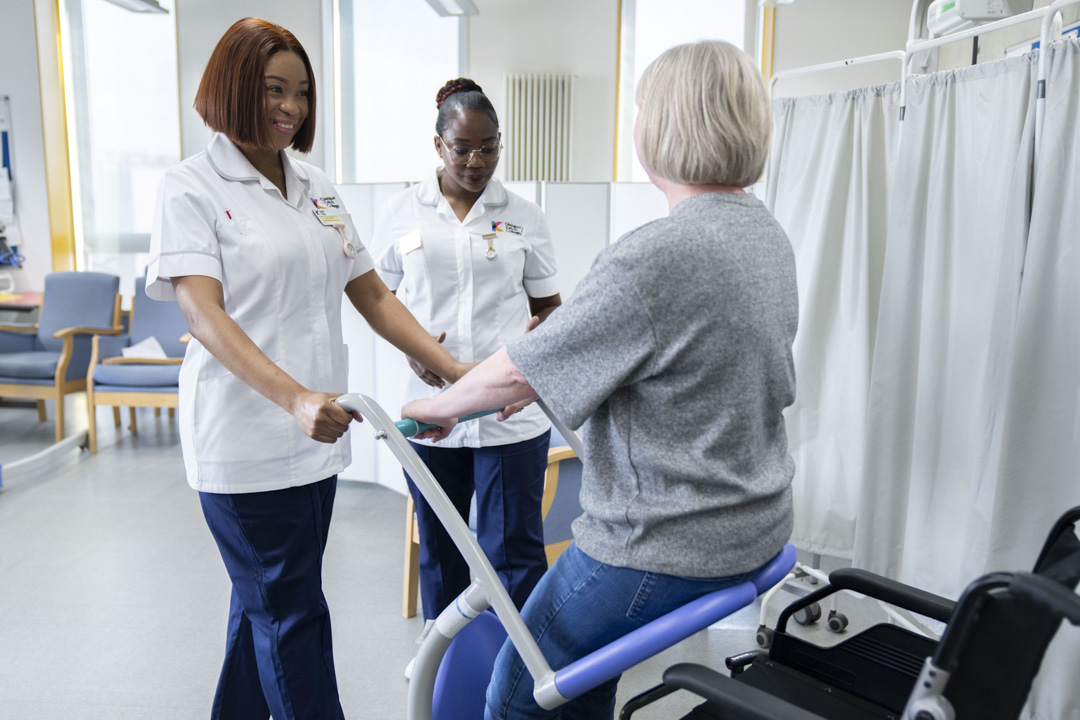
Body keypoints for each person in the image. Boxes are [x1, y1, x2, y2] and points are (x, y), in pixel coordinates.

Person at [401, 41, 797, 719]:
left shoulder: (655, 254)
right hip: (751, 523)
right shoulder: (765, 234)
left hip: (662, 542)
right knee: (582, 677)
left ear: (664, 128)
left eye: (642, 109)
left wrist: (441, 405)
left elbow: (519, 373)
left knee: (523, 690)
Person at [145, 18, 468, 720]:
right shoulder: (190, 187)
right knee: (291, 618)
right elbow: (203, 314)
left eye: (300, 93)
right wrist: (292, 398)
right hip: (245, 443)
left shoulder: (315, 184)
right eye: (272, 91)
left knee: (262, 606)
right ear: (232, 88)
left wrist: (448, 367)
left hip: (313, 443)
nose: (290, 108)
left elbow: (372, 292)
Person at [371, 78, 562, 670]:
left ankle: (518, 670)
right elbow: (381, 298)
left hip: (509, 414)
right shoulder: (400, 211)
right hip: (430, 415)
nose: (476, 161)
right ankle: (445, 666)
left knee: (516, 552)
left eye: (489, 146)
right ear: (438, 145)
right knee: (442, 548)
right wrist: (412, 351)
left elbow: (549, 309)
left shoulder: (524, 215)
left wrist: (531, 358)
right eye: (462, 147)